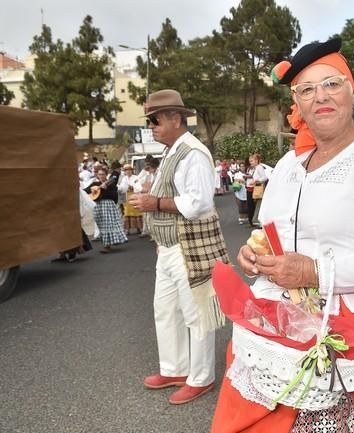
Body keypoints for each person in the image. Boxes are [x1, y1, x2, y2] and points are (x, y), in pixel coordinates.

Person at [211, 37, 354, 433]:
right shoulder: (289, 163)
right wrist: (255, 256)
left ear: (352, 90)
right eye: (307, 90)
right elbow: (268, 230)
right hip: (275, 320)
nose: (320, 96)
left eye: (332, 84)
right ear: (298, 105)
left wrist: (313, 271)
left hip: (346, 329)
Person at [128, 89, 229, 405]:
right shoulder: (173, 151)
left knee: (197, 313)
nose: (152, 126)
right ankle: (175, 368)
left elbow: (199, 203)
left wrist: (153, 202)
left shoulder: (193, 153)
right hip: (169, 246)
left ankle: (201, 378)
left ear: (175, 118)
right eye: (150, 121)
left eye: (155, 120)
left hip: (189, 246)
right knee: (166, 310)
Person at [84, 166, 128, 253]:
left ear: (106, 175)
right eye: (99, 174)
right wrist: (94, 190)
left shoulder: (111, 184)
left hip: (108, 206)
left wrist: (105, 190)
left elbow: (114, 196)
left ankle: (107, 246)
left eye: (103, 174)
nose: (101, 176)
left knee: (108, 224)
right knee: (100, 225)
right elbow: (85, 191)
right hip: (98, 206)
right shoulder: (94, 184)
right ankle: (108, 243)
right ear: (97, 175)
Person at [118, 164, 143, 235]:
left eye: (129, 170)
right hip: (127, 197)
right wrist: (126, 188)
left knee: (137, 211)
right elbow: (121, 188)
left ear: (132, 171)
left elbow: (139, 186)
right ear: (125, 172)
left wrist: (133, 187)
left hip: (135, 195)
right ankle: (127, 229)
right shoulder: (124, 178)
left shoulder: (136, 177)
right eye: (126, 170)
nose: (128, 172)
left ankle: (139, 228)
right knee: (127, 212)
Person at [245, 153, 267, 227]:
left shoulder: (259, 167)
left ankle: (260, 223)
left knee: (259, 206)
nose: (250, 162)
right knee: (257, 205)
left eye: (251, 161)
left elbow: (264, 177)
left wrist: (256, 181)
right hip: (256, 188)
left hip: (259, 188)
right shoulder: (256, 168)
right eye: (250, 161)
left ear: (256, 160)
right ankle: (259, 223)